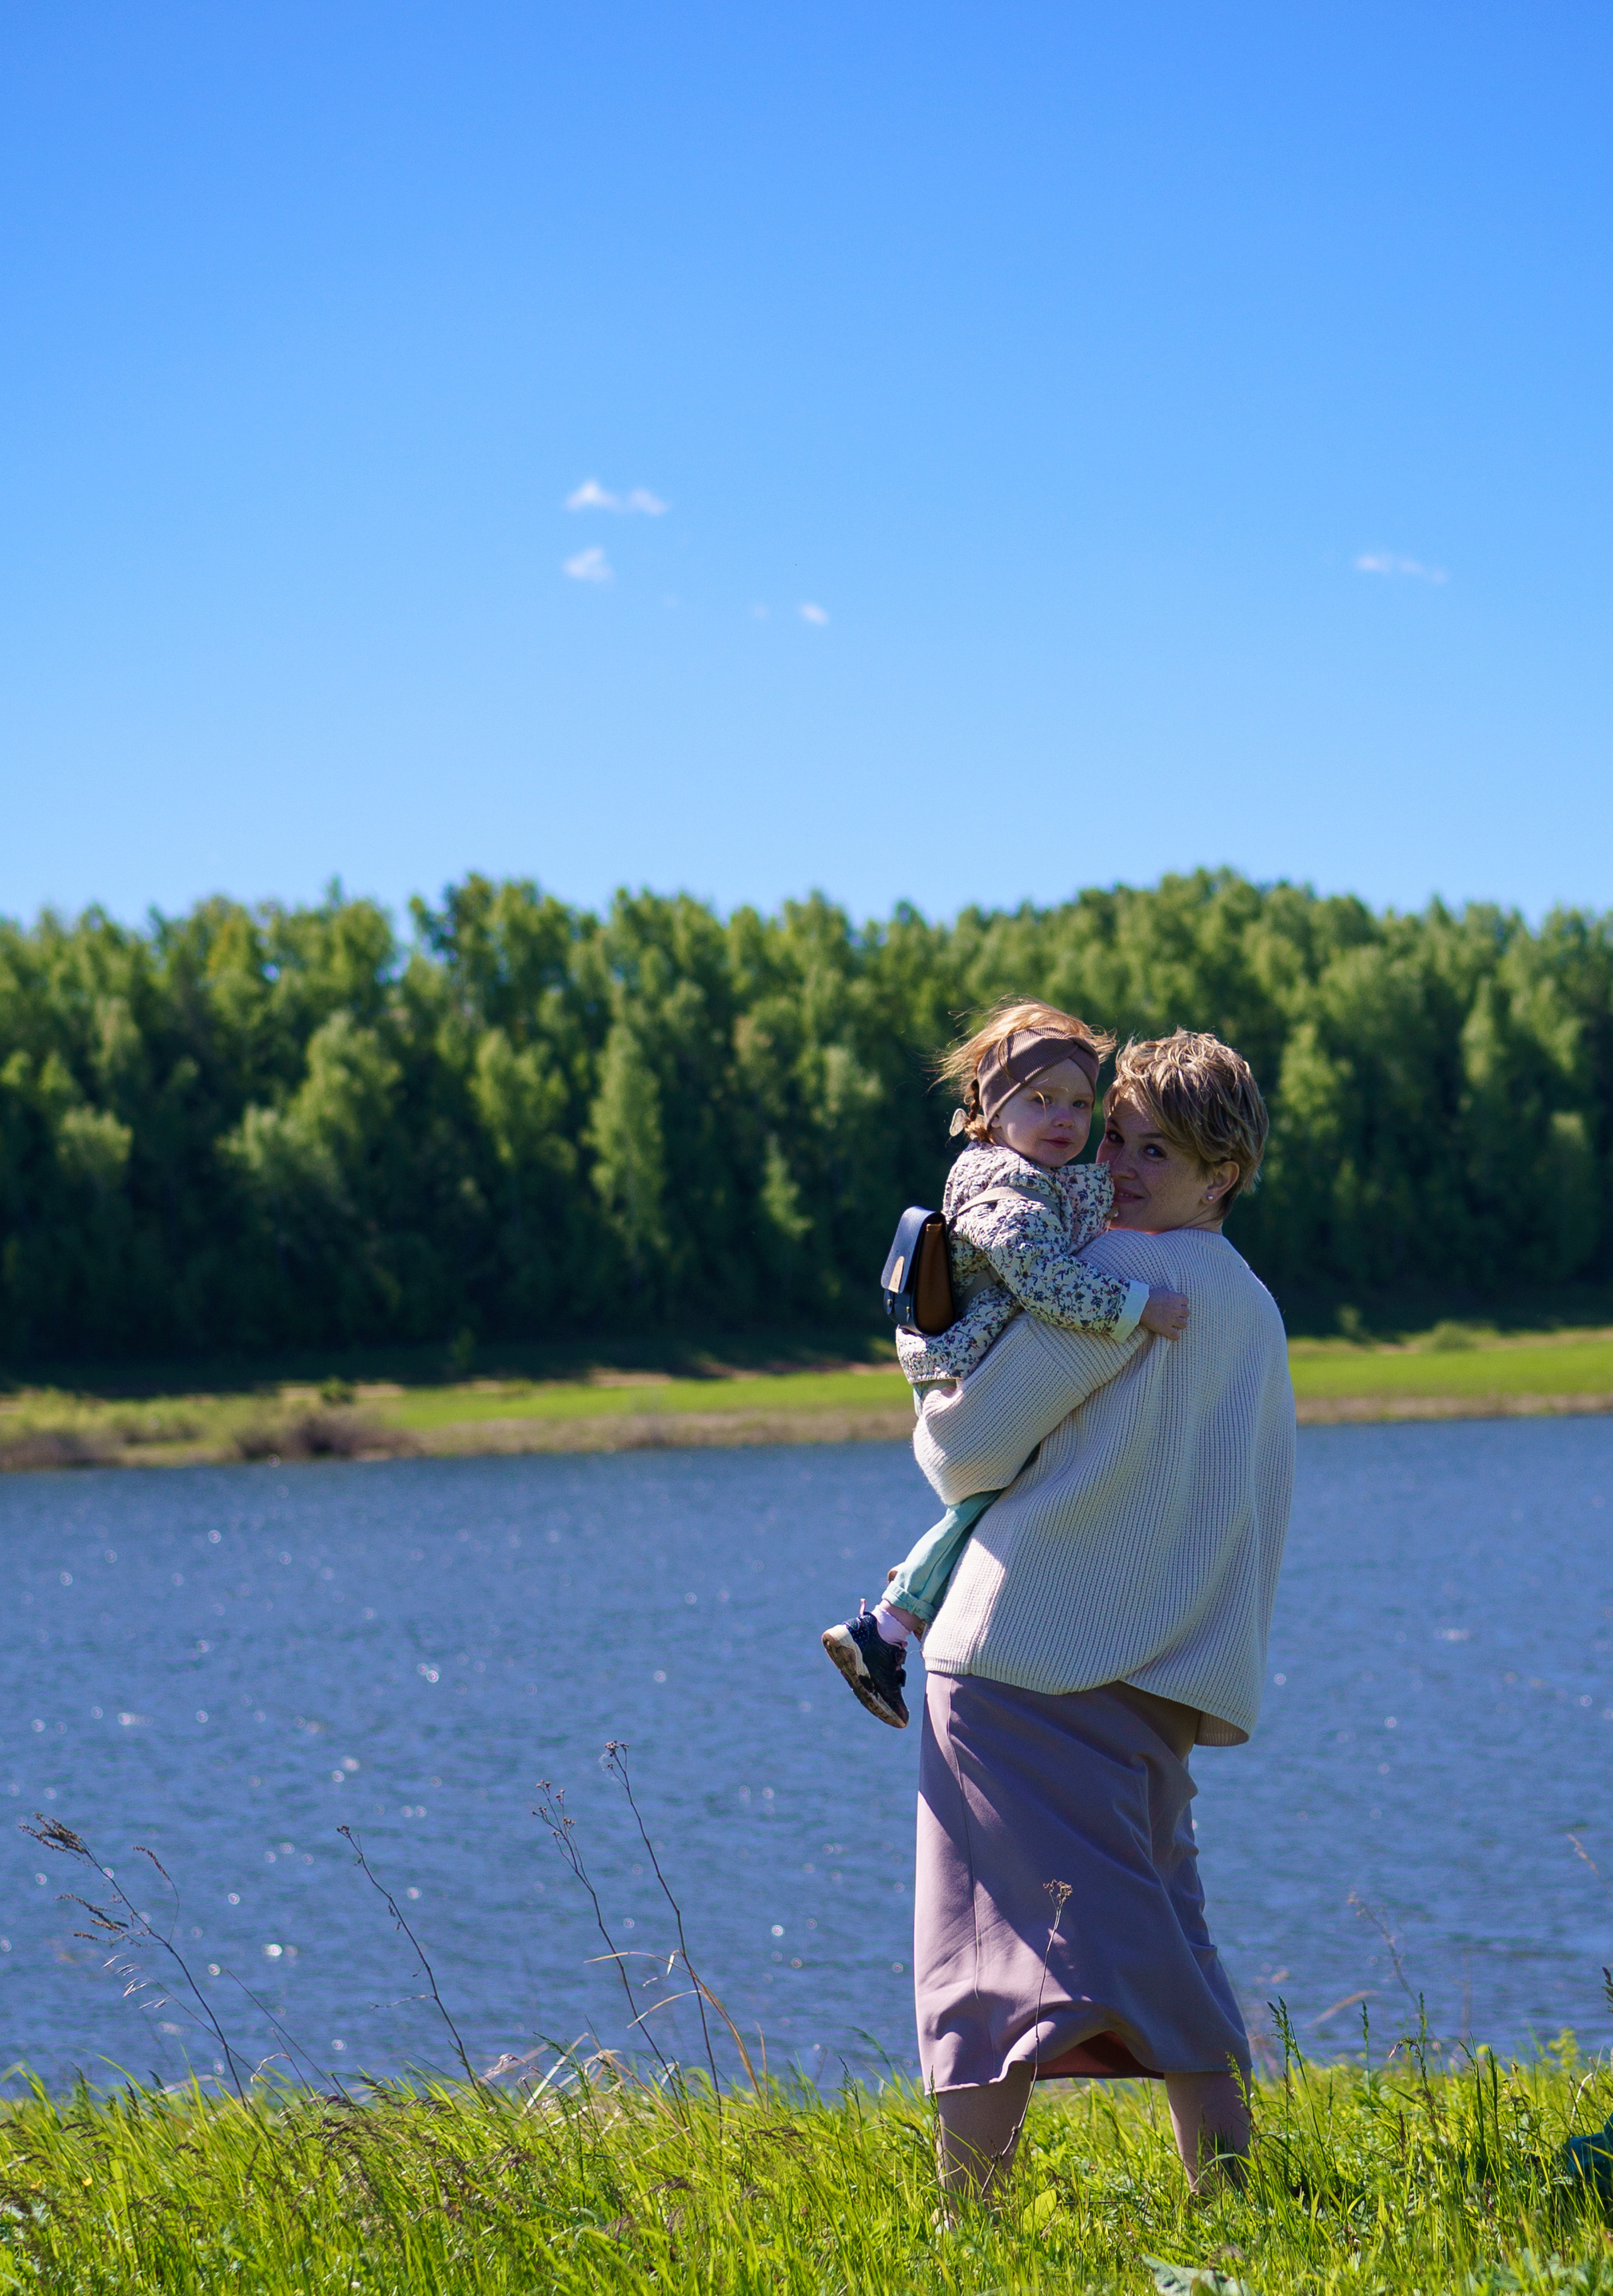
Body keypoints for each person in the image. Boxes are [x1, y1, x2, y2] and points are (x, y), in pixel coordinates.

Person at [907, 1030, 1295, 2198]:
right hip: (1157, 1674)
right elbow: (1253, 1501)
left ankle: (972, 2224)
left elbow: (963, 1450)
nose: (1118, 1162)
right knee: (1162, 1926)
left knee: (985, 1957)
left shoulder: (1115, 1265)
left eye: (1153, 1145)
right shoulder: (1259, 1306)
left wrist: (928, 1378)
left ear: (1219, 1171)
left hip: (1018, 1661)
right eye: (1113, 1134)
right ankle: (1228, 2200)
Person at [821, 1002, 1190, 1729]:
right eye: (1040, 1099)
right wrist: (1137, 1306)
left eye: (1081, 1103)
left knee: (993, 1499)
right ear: (990, 1108)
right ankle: (889, 1624)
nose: (1064, 1118)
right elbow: (1043, 1278)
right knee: (994, 1491)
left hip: (981, 1356)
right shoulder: (1001, 1190)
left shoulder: (1033, 1173)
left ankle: (914, 1595)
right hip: (965, 1366)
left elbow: (1086, 1212)